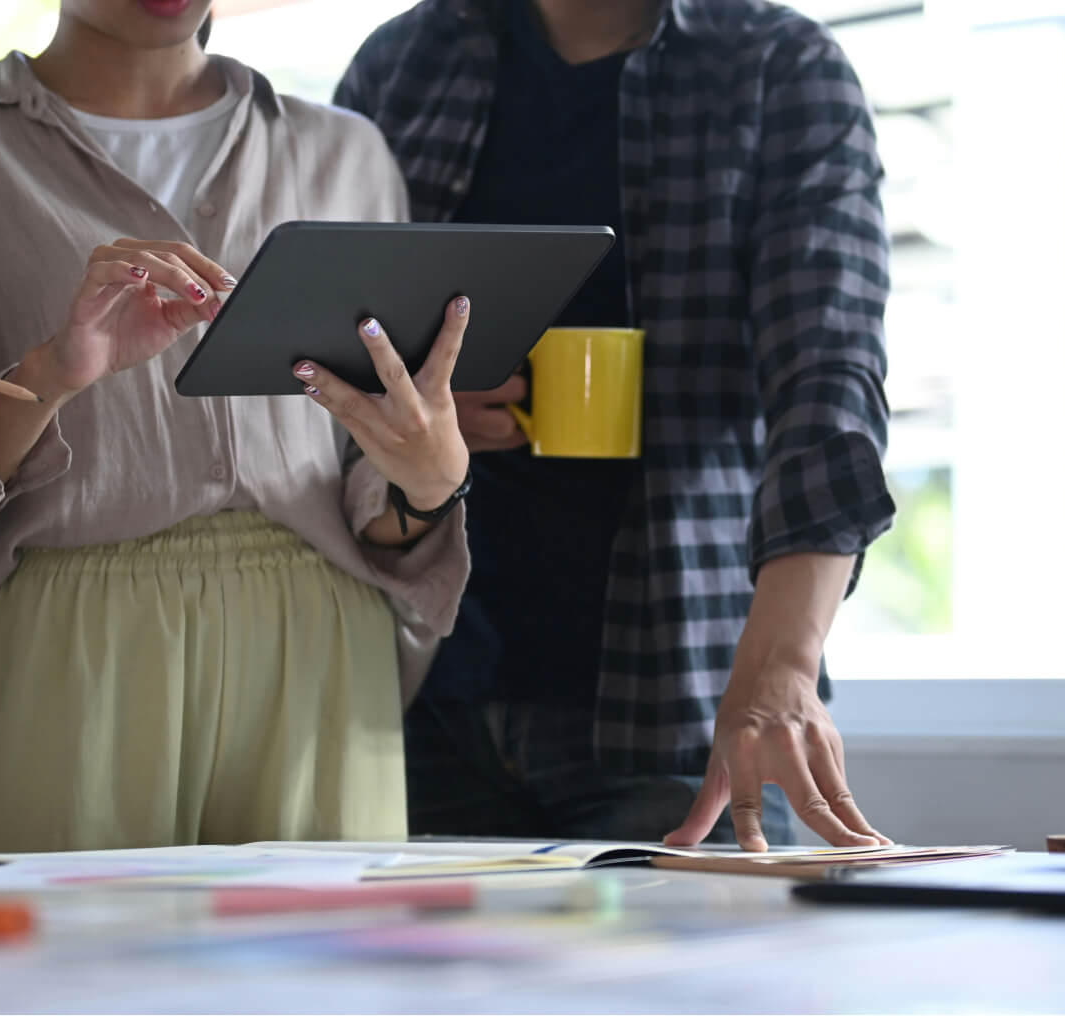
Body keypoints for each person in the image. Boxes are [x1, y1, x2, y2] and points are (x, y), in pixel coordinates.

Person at [0, 0, 472, 855]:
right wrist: (50, 375)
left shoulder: (344, 151)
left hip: (322, 646)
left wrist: (429, 481)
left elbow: (371, 476)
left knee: (312, 984)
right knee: (62, 987)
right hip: (65, 651)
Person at [336, 0, 895, 851]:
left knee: (689, 985)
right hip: (421, 701)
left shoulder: (775, 65)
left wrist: (786, 663)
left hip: (673, 701)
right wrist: (430, 401)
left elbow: (827, 381)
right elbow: (338, 350)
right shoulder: (406, 63)